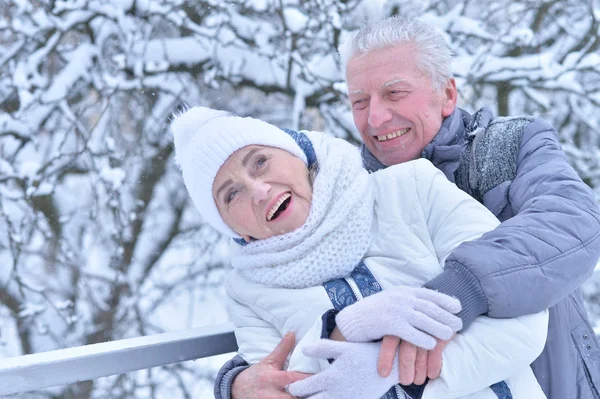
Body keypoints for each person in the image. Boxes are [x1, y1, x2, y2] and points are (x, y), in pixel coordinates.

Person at [214, 16, 600, 399]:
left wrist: (459, 289)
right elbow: (305, 299)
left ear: (448, 94)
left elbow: (572, 222)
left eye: (394, 93)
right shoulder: (349, 196)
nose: (376, 118)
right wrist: (238, 382)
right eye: (360, 102)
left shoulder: (510, 145)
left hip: (557, 381)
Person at [171, 105, 549, 398]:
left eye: (260, 161)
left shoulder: (413, 188)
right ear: (234, 229)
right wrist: (342, 332)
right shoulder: (247, 291)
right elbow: (283, 387)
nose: (258, 189)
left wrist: (390, 374)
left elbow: (522, 317)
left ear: (298, 154)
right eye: (231, 194)